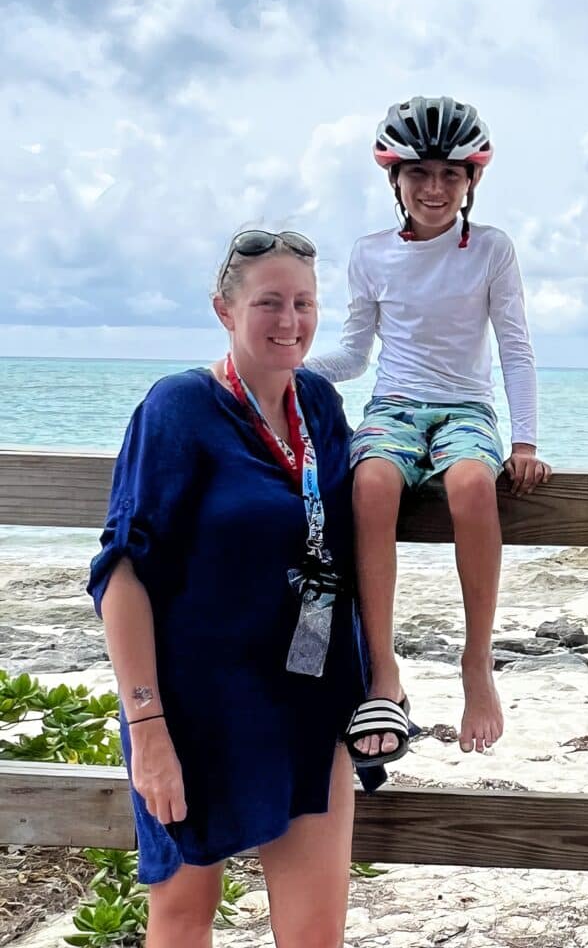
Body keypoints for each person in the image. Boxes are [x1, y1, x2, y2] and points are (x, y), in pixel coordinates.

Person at [88, 230, 383, 948]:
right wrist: (148, 730)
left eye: (304, 303)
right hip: (192, 708)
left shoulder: (317, 401)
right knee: (184, 919)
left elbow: (350, 528)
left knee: (315, 935)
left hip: (308, 695)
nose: (289, 321)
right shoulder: (179, 405)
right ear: (224, 309)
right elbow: (122, 573)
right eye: (268, 303)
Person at [307, 96, 552, 765]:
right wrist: (286, 367)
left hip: (464, 410)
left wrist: (524, 441)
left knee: (473, 486)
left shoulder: (491, 250)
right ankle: (382, 671)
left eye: (450, 174)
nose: (434, 188)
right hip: (392, 407)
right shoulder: (370, 255)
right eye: (419, 174)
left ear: (472, 179)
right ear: (395, 179)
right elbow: (356, 355)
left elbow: (515, 349)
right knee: (370, 487)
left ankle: (477, 665)